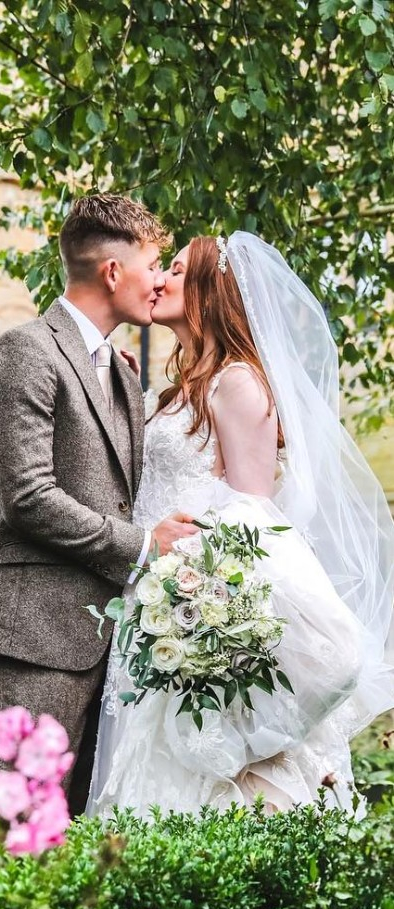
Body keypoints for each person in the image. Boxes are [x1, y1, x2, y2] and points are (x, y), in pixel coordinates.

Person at [87, 232, 394, 817]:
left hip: (192, 608)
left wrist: (206, 608)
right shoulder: (176, 393)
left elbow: (254, 519)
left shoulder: (239, 383)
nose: (161, 279)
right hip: (154, 610)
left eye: (177, 270)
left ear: (209, 291)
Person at [0, 195, 199, 816]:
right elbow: (28, 497)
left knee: (83, 827)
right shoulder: (24, 352)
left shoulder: (119, 372)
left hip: (110, 635)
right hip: (35, 631)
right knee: (25, 819)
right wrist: (144, 546)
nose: (160, 280)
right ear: (114, 272)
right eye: (154, 265)